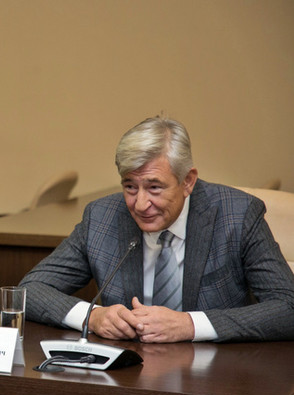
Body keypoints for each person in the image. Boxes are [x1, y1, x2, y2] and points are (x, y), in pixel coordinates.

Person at [19, 116, 294, 343]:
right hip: (128, 373)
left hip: (217, 374)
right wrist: (92, 317)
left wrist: (190, 324)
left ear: (188, 181)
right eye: (130, 187)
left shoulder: (237, 215)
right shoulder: (102, 217)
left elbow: (288, 307)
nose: (140, 204)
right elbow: (29, 291)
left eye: (154, 187)